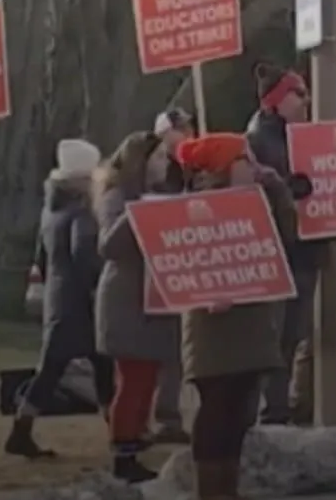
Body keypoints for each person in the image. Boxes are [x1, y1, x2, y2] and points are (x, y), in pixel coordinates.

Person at [175, 133, 300, 499]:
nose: (254, 164)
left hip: (252, 322)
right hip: (213, 326)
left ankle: (228, 487)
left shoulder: (259, 200)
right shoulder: (197, 206)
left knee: (241, 411)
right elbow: (179, 260)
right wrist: (207, 290)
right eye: (245, 159)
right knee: (218, 407)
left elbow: (286, 237)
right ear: (225, 167)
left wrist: (277, 190)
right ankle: (209, 490)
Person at [6, 139, 115, 459]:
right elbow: (85, 254)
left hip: (60, 299)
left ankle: (22, 428)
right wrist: (98, 283)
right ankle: (118, 430)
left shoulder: (50, 210)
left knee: (54, 368)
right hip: (82, 301)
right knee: (101, 365)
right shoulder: (82, 211)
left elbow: (43, 257)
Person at [93, 132, 182, 482]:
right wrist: (140, 213)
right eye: (159, 157)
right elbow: (108, 245)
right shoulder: (118, 196)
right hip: (126, 301)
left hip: (152, 299)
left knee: (146, 379)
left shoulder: (160, 194)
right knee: (133, 380)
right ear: (140, 162)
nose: (165, 163)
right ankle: (123, 455)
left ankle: (133, 443)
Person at [245, 64, 320, 425]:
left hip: (303, 250)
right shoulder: (259, 140)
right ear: (276, 101)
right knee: (275, 335)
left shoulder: (299, 135)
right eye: (298, 93)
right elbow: (256, 197)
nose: (306, 100)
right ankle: (270, 408)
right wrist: (291, 189)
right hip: (279, 253)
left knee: (293, 334)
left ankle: (279, 405)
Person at [151, 107, 196, 445]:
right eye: (178, 130)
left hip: (187, 258)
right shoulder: (157, 170)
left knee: (177, 347)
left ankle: (169, 412)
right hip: (163, 261)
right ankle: (162, 415)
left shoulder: (192, 165)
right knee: (164, 346)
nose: (185, 134)